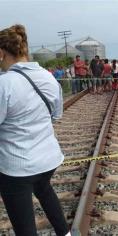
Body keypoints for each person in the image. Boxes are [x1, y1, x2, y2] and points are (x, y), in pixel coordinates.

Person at [0, 24, 69, 236]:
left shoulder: (4, 84)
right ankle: (65, 233)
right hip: (48, 159)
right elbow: (56, 115)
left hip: (17, 167)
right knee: (44, 190)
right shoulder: (49, 77)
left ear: (1, 53)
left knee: (24, 226)